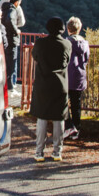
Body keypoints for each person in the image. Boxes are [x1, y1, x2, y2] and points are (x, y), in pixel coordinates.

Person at [31, 17, 71, 162]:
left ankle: (39, 152)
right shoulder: (67, 44)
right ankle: (57, 151)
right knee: (59, 117)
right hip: (60, 85)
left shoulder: (40, 43)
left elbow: (34, 56)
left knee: (42, 117)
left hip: (43, 85)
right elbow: (67, 61)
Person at [64, 17, 90, 139]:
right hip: (80, 76)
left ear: (68, 29)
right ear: (79, 29)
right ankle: (77, 129)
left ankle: (68, 127)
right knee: (76, 104)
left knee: (62, 102)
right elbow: (86, 59)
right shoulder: (85, 44)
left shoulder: (66, 42)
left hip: (67, 76)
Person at [3, 0, 25, 90]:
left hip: (6, 39)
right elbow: (10, 20)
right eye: (19, 3)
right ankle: (10, 88)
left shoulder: (5, 8)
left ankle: (8, 86)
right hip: (12, 40)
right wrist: (16, 31)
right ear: (16, 2)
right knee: (11, 65)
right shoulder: (12, 10)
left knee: (7, 64)